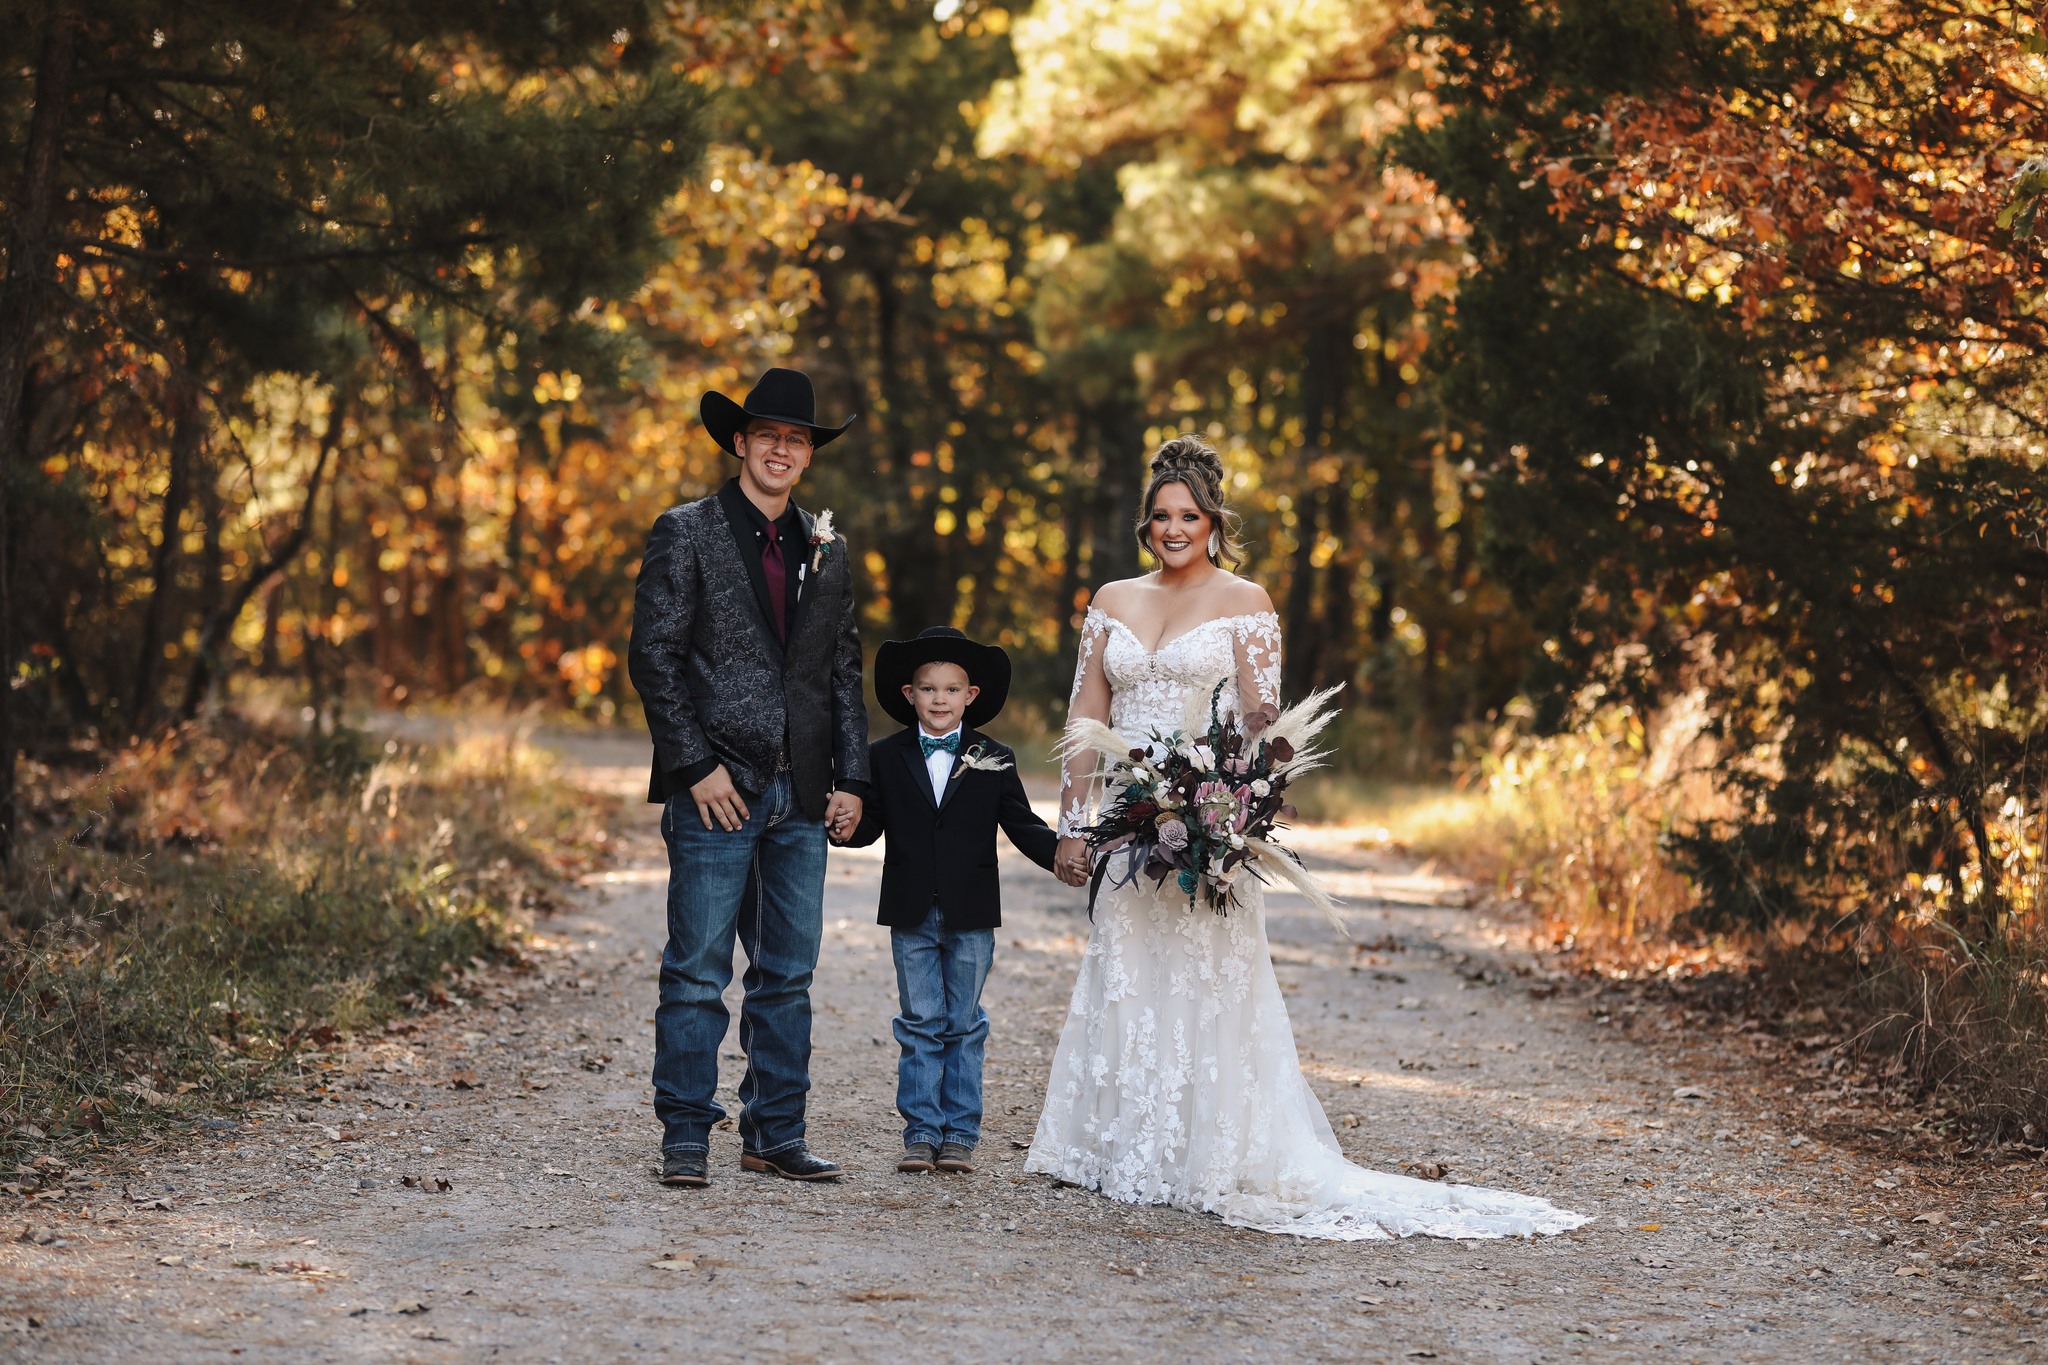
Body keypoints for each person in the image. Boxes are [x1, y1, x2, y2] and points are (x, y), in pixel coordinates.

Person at [1028, 435, 1590, 1241]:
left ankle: (1210, 1154)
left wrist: (1231, 813)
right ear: (1145, 522)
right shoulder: (1112, 599)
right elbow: (1085, 718)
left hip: (1208, 822)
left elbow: (1263, 728)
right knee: (1128, 972)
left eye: (1189, 514)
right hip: (1125, 823)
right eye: (1161, 515)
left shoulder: (1245, 601)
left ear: (1215, 521)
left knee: (1206, 977)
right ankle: (1122, 1145)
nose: (1174, 528)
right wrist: (1073, 823)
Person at [626, 366, 870, 1188]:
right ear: (739, 442)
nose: (780, 448)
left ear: (807, 456)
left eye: (795, 439)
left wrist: (853, 778)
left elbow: (841, 669)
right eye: (766, 434)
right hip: (716, 789)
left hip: (800, 793)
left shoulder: (826, 547)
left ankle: (774, 1131)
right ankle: (686, 1134)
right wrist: (693, 767)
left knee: (788, 973)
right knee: (697, 967)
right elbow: (653, 657)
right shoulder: (686, 531)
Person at [841, 627, 1059, 1175]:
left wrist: (1063, 856)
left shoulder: (995, 757)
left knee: (963, 1022)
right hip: (910, 907)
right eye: (928, 688)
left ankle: (959, 1133)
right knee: (919, 1021)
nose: (939, 699)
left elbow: (1023, 825)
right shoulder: (884, 757)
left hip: (971, 909)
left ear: (972, 696)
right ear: (909, 694)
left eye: (951, 689)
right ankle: (920, 1133)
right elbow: (870, 826)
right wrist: (845, 826)